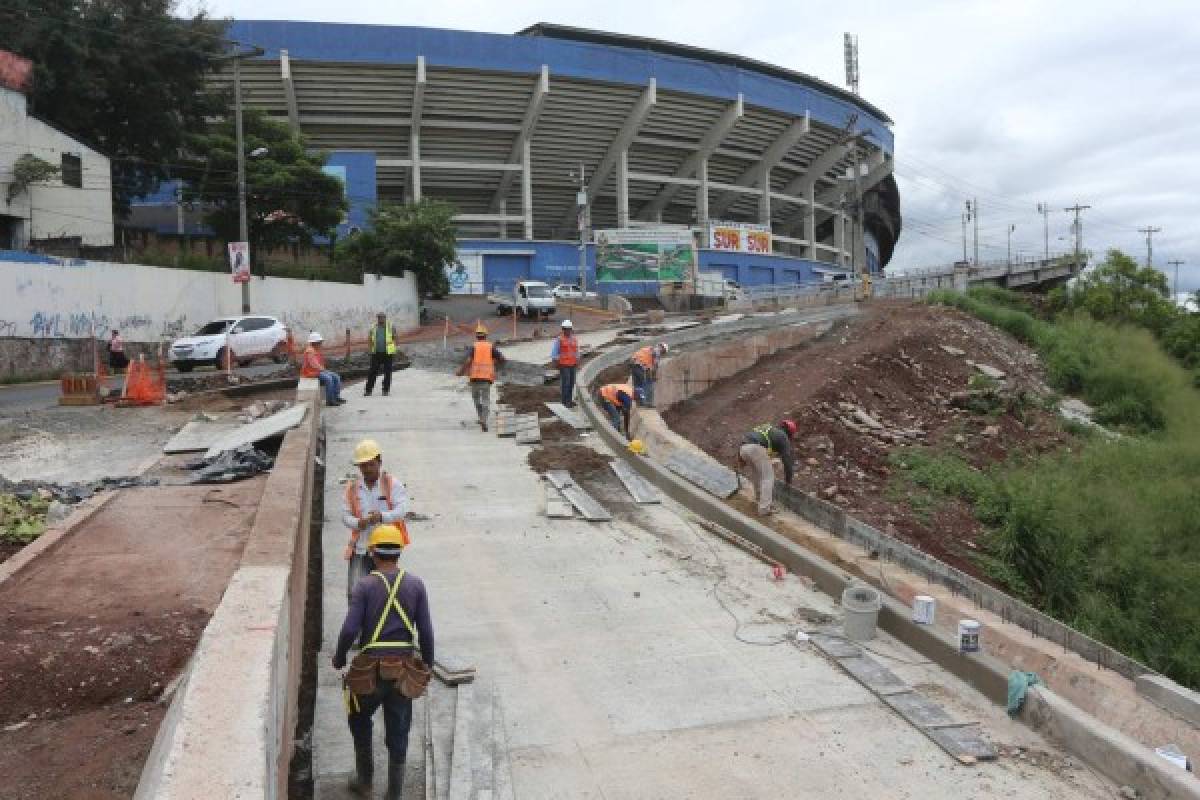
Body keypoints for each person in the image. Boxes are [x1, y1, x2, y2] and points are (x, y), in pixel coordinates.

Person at [333, 524, 434, 800]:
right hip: (402, 670)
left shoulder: (364, 586)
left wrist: (340, 656)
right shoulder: (415, 585)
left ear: (373, 553)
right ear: (400, 552)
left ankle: (365, 782)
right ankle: (394, 793)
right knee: (399, 727)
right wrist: (428, 664)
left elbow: (350, 629)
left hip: (369, 672)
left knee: (359, 718)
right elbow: (425, 631)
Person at [343, 439, 409, 603]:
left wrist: (382, 517)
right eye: (363, 466)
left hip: (386, 548)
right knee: (355, 594)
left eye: (370, 464)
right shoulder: (352, 488)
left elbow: (401, 511)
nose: (367, 469)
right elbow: (345, 516)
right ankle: (358, 627)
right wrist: (359, 523)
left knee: (386, 593)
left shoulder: (392, 485)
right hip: (362, 548)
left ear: (379, 462)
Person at [737, 419, 798, 515]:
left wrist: (740, 459)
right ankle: (764, 508)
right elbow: (787, 461)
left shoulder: (769, 429)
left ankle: (759, 499)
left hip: (743, 448)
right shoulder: (783, 436)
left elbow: (749, 438)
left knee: (757, 474)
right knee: (768, 477)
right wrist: (788, 481)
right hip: (755, 448)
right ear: (789, 433)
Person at [456, 323, 505, 431]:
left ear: (476, 336)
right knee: (486, 400)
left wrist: (460, 371)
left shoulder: (474, 346)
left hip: (475, 378)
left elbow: (468, 361)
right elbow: (502, 358)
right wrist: (493, 363)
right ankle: (483, 419)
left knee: (476, 400)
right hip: (487, 378)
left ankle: (480, 417)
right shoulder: (490, 347)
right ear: (486, 336)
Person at [301, 332, 346, 406]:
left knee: (336, 377)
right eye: (319, 342)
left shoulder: (314, 349)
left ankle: (336, 397)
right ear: (314, 342)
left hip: (317, 371)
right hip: (310, 373)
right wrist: (323, 370)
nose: (321, 343)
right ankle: (330, 401)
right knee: (329, 379)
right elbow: (313, 364)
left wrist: (323, 369)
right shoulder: (310, 351)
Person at [364, 312, 398, 397]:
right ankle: (368, 390)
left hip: (387, 353)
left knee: (387, 372)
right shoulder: (373, 327)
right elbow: (370, 339)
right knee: (372, 372)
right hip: (376, 353)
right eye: (379, 318)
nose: (381, 319)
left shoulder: (391, 326)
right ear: (377, 318)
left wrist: (394, 348)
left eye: (382, 317)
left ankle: (385, 390)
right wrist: (369, 349)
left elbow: (395, 338)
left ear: (385, 318)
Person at [550, 319, 579, 408]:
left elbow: (576, 352)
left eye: (569, 329)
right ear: (563, 329)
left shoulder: (574, 339)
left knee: (571, 383)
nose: (568, 330)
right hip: (564, 365)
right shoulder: (559, 340)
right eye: (566, 329)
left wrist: (577, 361)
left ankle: (569, 400)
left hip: (573, 365)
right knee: (565, 384)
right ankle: (564, 402)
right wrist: (556, 364)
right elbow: (554, 354)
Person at [630, 342, 668, 407]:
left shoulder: (648, 348)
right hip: (638, 366)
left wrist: (650, 373)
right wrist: (654, 376)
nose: (662, 353)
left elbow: (648, 364)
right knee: (646, 384)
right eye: (663, 352)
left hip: (633, 365)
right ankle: (647, 402)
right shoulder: (657, 351)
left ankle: (639, 402)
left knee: (637, 385)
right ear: (663, 350)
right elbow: (655, 366)